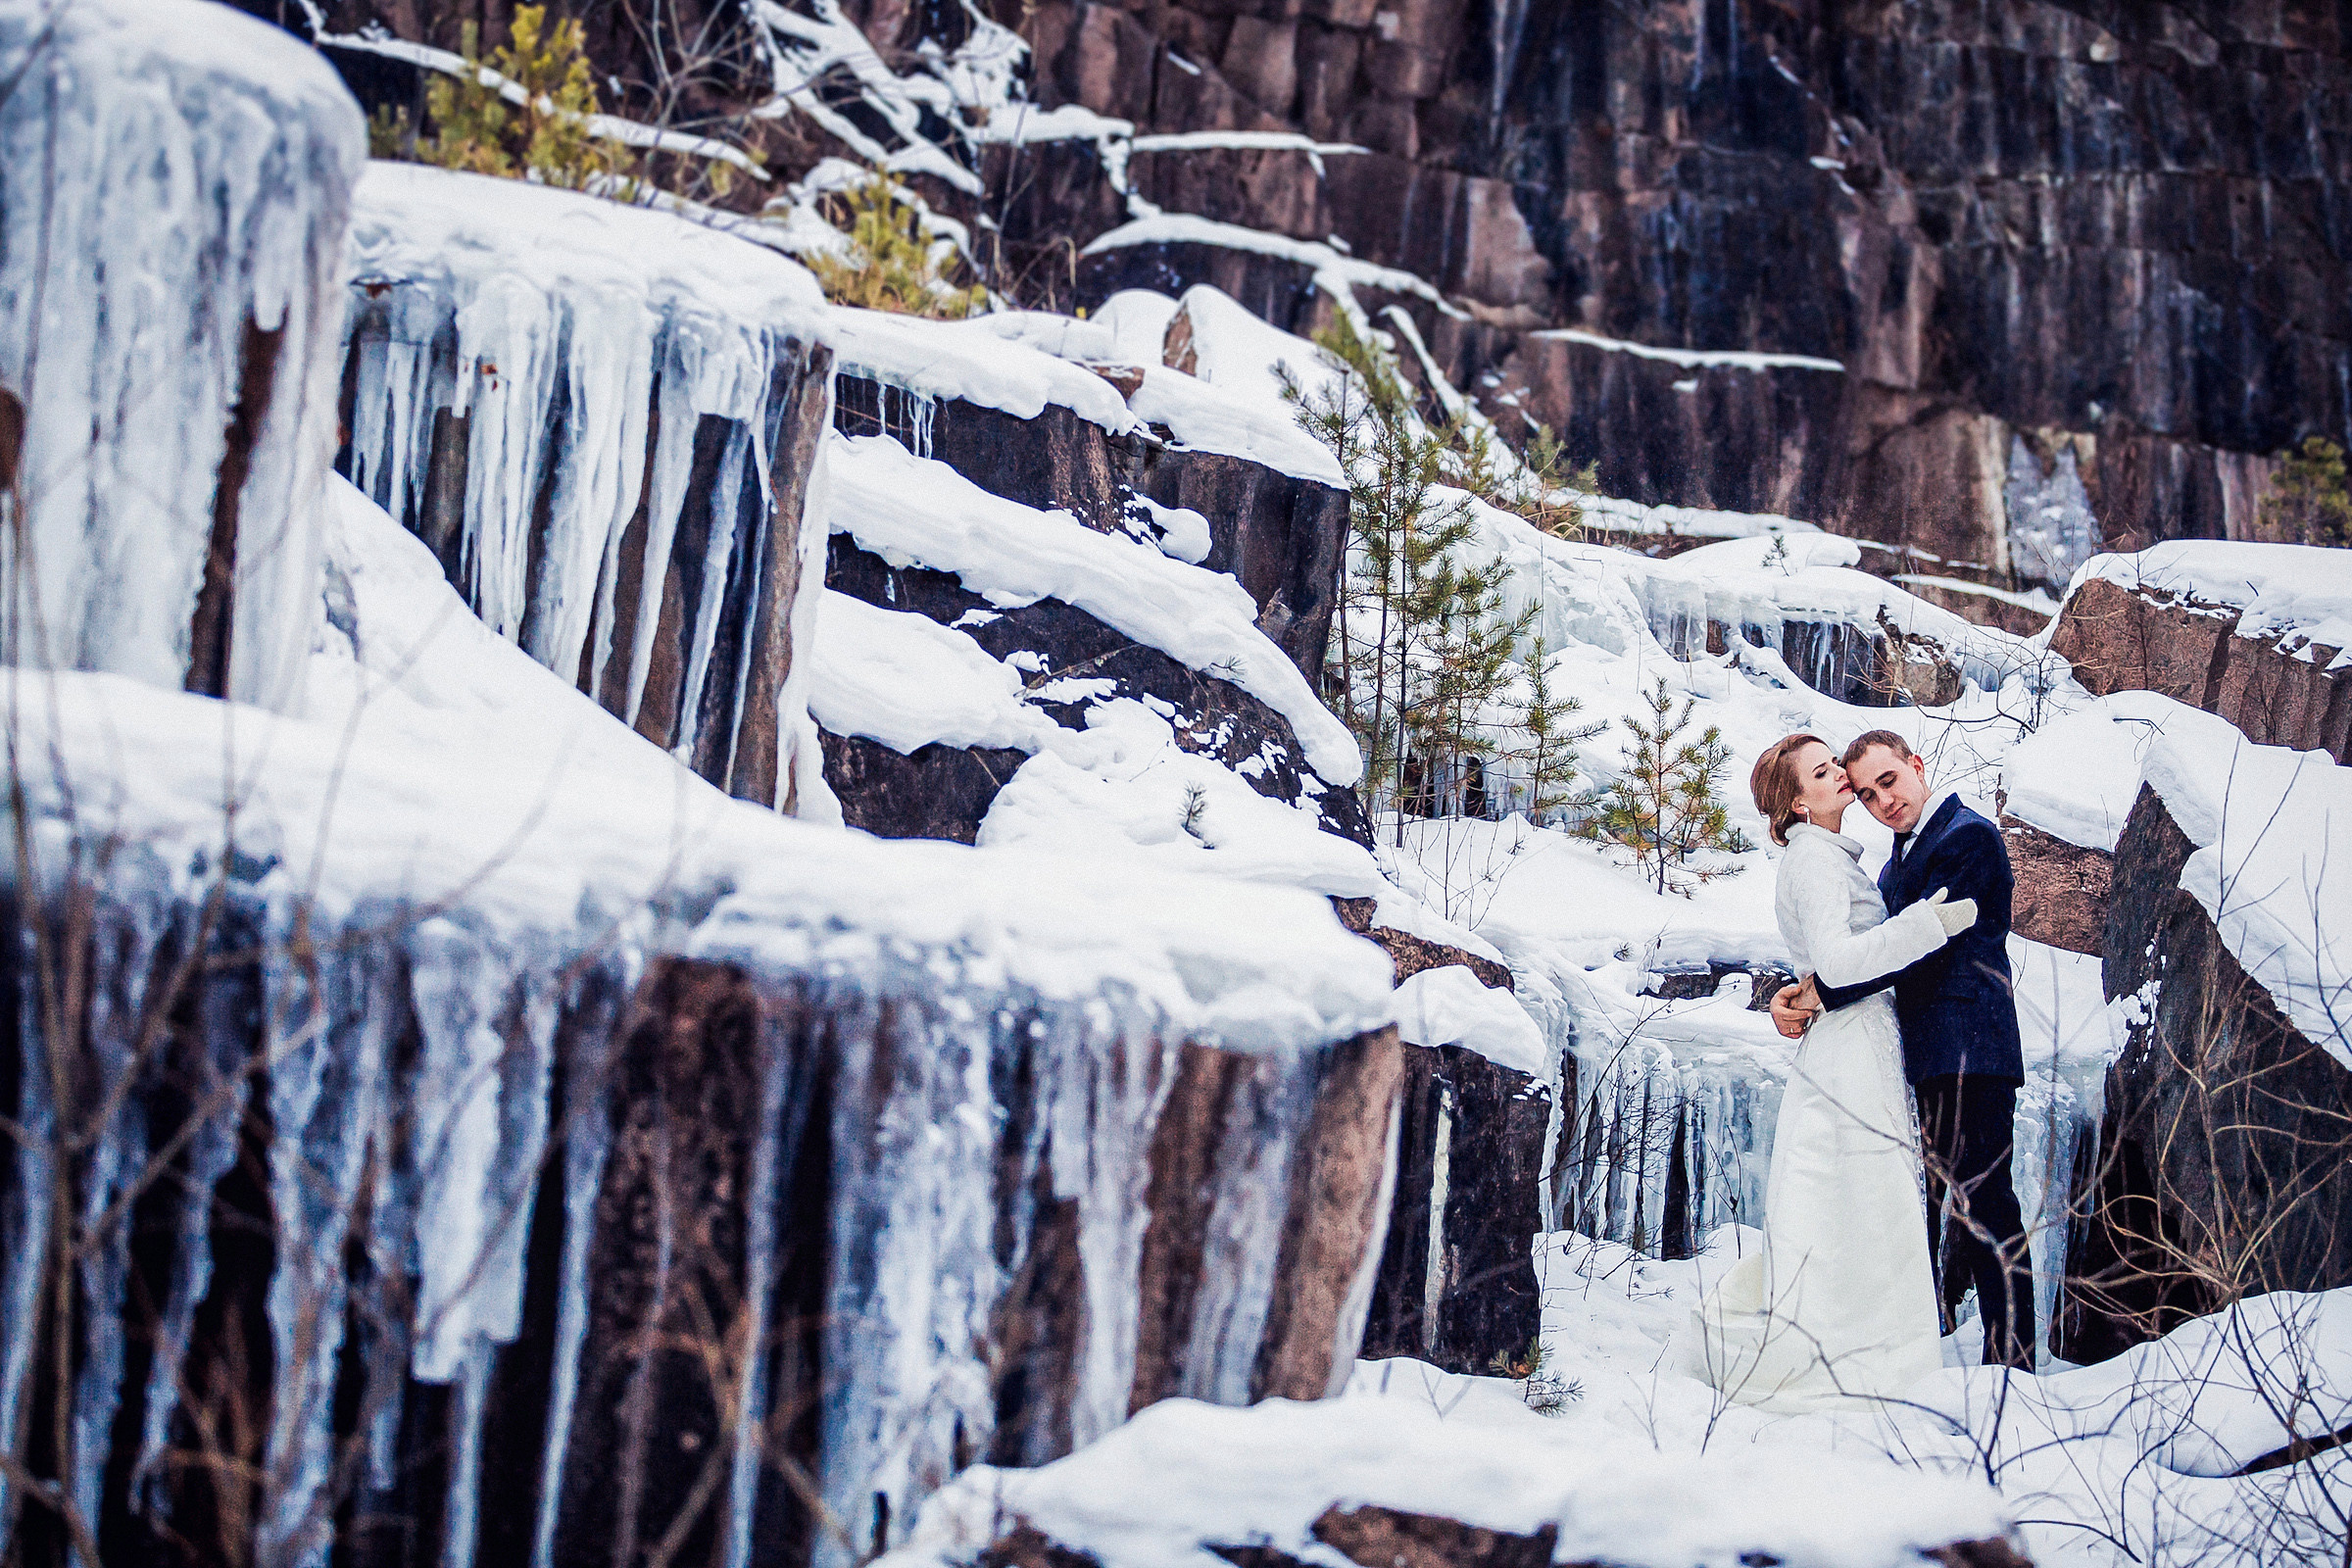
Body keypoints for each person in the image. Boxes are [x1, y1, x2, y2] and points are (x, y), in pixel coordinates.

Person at [1685, 733, 1969, 1410]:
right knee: (1864, 1198)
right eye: (1822, 772)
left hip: (1858, 1038)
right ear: (1795, 803)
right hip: (1849, 1046)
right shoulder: (1814, 862)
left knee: (1859, 1202)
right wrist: (1927, 924)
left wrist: (1804, 989)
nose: (1841, 775)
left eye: (1835, 764)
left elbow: (1825, 967)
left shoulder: (1831, 858)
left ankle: (1870, 1344)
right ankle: (1863, 1356)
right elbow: (1841, 966)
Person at [1771, 730, 2036, 1372]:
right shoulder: (1890, 865)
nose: (1881, 801)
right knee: (1932, 1202)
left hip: (1970, 1046)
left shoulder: (1967, 837)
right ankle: (1927, 1332)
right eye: (1866, 793)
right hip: (1921, 1055)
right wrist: (1807, 990)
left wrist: (1818, 994)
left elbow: (1925, 946)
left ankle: (2014, 1358)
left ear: (1917, 766)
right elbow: (1871, 945)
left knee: (1985, 1199)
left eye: (1888, 781)